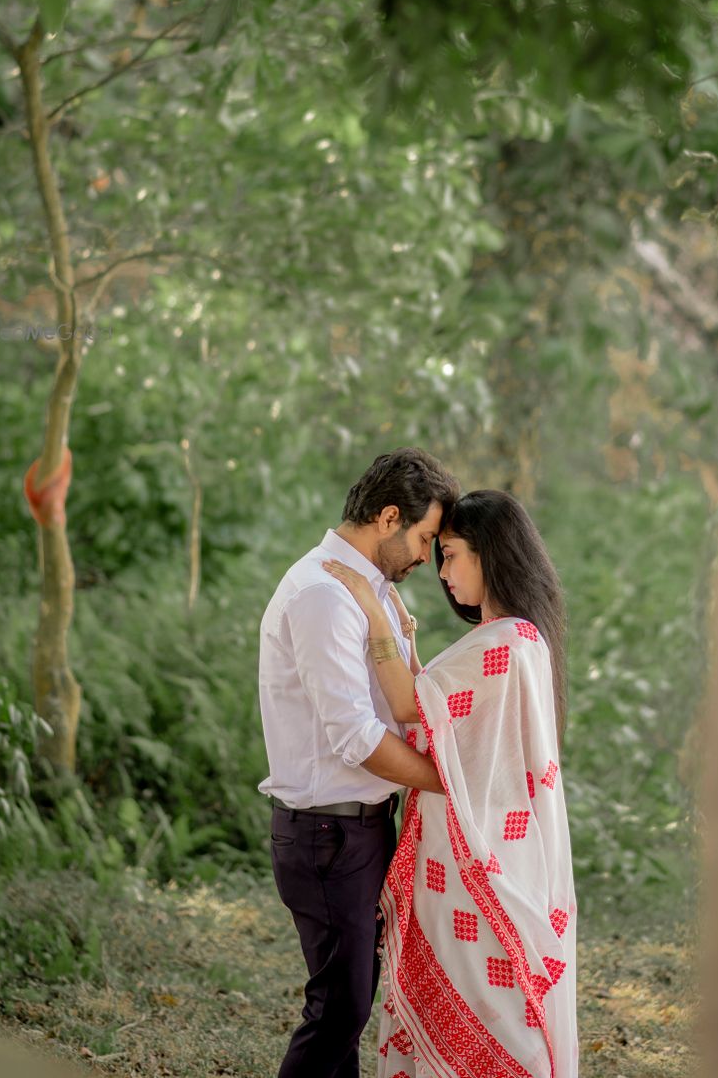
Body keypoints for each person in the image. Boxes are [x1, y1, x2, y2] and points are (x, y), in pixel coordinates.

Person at [323, 488, 578, 1078]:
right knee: (481, 1004)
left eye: (452, 554)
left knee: (499, 1013)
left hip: (478, 864)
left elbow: (412, 706)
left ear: (492, 554)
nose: (441, 570)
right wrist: (409, 642)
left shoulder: (509, 643)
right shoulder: (513, 639)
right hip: (469, 856)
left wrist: (369, 604)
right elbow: (447, 721)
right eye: (438, 554)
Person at [258, 447, 462, 1078]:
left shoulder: (367, 591)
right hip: (327, 831)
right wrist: (451, 782)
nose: (426, 556)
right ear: (388, 517)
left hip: (361, 826)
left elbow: (405, 702)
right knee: (339, 1009)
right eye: (425, 538)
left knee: (350, 1005)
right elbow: (355, 736)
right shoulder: (323, 595)